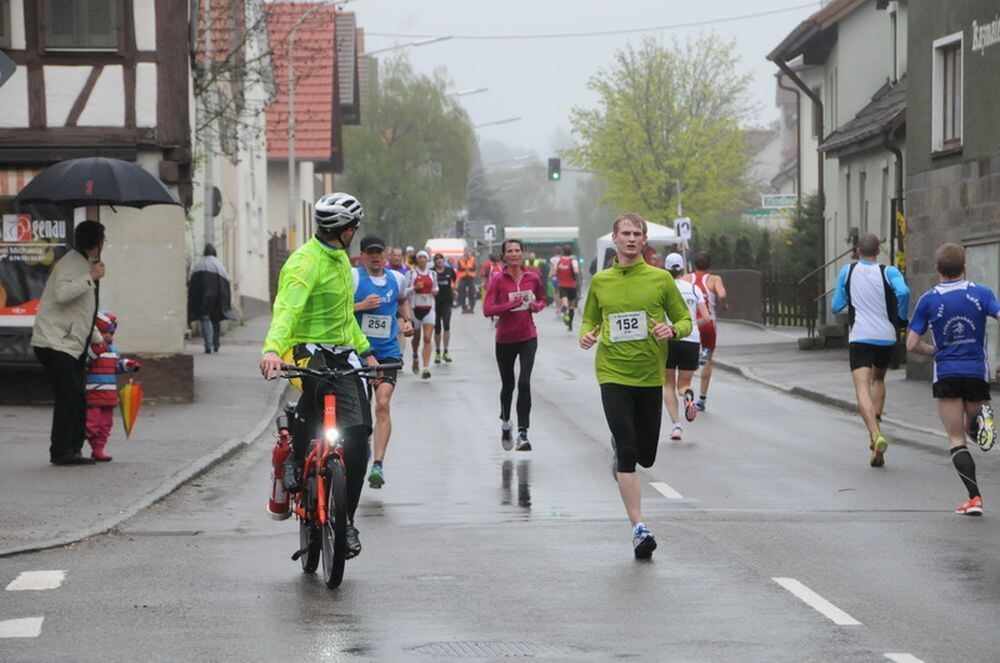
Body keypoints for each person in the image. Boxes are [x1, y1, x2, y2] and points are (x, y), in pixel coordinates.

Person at [260, 192, 379, 559]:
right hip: (302, 348)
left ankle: (346, 521)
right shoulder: (305, 262)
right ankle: (297, 456)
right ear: (343, 230)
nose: (355, 233)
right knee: (317, 385)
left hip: (340, 350)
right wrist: (270, 349)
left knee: (359, 434)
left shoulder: (343, 261)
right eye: (353, 228)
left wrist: (366, 352)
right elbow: (287, 311)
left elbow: (344, 319)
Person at [579, 213, 691, 559]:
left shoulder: (660, 280)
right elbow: (591, 317)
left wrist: (671, 330)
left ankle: (623, 452)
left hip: (649, 376)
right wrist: (587, 333)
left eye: (636, 234)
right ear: (614, 238)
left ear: (644, 241)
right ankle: (639, 528)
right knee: (628, 451)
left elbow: (685, 320)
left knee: (646, 455)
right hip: (612, 373)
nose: (631, 239)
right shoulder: (601, 281)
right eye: (625, 233)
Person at [907, 243, 1000, 516]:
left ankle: (974, 499)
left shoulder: (929, 299)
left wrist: (933, 351)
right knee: (975, 429)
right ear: (964, 267)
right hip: (976, 373)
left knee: (956, 438)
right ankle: (982, 421)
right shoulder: (981, 294)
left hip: (946, 373)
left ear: (937, 269)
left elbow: (912, 344)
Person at [831, 234, 910, 467]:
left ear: (857, 251)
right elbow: (904, 292)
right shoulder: (889, 271)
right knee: (879, 380)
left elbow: (836, 306)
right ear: (878, 251)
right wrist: (901, 317)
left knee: (861, 389)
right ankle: (877, 444)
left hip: (860, 337)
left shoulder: (848, 271)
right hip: (886, 337)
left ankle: (875, 434)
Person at [32, 220, 106, 466]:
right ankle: (61, 451)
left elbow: (81, 310)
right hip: (54, 342)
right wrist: (90, 277)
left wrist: (96, 338)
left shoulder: (83, 263)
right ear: (97, 244)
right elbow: (63, 295)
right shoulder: (73, 264)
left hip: (68, 342)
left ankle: (74, 449)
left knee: (76, 395)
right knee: (70, 393)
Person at [353, 235, 413, 490]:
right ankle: (364, 440)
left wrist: (408, 321)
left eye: (379, 253)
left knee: (383, 404)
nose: (376, 257)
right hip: (357, 353)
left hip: (388, 352)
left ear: (386, 255)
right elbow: (340, 309)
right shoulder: (354, 278)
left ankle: (378, 464)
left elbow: (402, 302)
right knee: (361, 411)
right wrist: (361, 305)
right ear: (363, 255)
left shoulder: (397, 279)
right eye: (370, 253)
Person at [483, 239, 547, 451]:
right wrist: (511, 305)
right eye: (509, 251)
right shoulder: (498, 280)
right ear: (503, 256)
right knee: (508, 385)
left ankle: (523, 432)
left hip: (528, 336)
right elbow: (487, 309)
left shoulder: (533, 277)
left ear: (522, 253)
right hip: (505, 339)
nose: (514, 254)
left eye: (517, 250)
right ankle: (505, 423)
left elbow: (542, 299)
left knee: (524, 383)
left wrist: (535, 306)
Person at [662, 253, 710, 442]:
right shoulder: (694, 289)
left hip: (669, 337)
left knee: (668, 384)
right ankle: (688, 396)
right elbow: (706, 317)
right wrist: (692, 324)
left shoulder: (664, 289)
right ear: (683, 269)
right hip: (691, 339)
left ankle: (676, 426)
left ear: (666, 269)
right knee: (683, 384)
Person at [84, 311, 140, 461]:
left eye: (111, 333)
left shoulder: (113, 350)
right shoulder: (92, 349)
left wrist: (127, 365)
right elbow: (85, 363)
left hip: (108, 396)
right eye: (106, 333)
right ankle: (75, 443)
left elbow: (115, 366)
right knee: (91, 423)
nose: (110, 336)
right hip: (93, 394)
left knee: (105, 424)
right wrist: (96, 349)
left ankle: (98, 449)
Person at [683, 251, 728, 412]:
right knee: (709, 359)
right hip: (709, 322)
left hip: (692, 323)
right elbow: (722, 293)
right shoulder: (714, 279)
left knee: (688, 354)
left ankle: (695, 360)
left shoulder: (687, 278)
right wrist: (723, 303)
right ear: (710, 266)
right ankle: (702, 399)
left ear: (695, 264)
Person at [187, 243, 235, 354]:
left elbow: (193, 285)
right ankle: (216, 343)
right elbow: (226, 285)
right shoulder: (220, 266)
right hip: (217, 298)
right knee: (215, 320)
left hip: (203, 299)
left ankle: (208, 345)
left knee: (205, 319)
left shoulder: (198, 265)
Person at [407, 250, 438, 378]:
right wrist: (414, 288)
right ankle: (415, 356)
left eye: (424, 258)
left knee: (427, 338)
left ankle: (426, 368)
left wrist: (435, 291)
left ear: (427, 260)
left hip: (429, 308)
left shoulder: (433, 274)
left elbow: (436, 287)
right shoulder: (411, 273)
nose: (422, 260)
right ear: (417, 260)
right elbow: (404, 290)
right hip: (415, 309)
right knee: (416, 338)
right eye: (420, 257)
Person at [433, 253, 456, 364]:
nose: (439, 261)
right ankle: (437, 352)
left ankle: (446, 351)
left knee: (446, 325)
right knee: (437, 328)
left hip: (447, 302)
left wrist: (455, 290)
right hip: (435, 303)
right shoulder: (432, 272)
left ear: (443, 260)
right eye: (436, 259)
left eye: (441, 258)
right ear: (434, 261)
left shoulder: (449, 270)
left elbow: (454, 280)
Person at [554, 244, 581, 331]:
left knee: (564, 301)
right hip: (572, 285)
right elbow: (576, 271)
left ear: (563, 252)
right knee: (572, 306)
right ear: (571, 252)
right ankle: (570, 325)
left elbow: (555, 272)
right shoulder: (573, 261)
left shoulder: (560, 261)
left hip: (562, 285)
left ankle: (564, 308)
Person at [457, 248, 478, 313]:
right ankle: (463, 308)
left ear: (469, 252)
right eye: (465, 251)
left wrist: (469, 268)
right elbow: (458, 268)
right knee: (462, 293)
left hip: (470, 277)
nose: (466, 252)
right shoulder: (460, 259)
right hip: (463, 278)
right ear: (464, 252)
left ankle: (471, 307)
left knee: (472, 293)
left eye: (468, 251)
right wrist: (464, 268)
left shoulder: (473, 259)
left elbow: (475, 267)